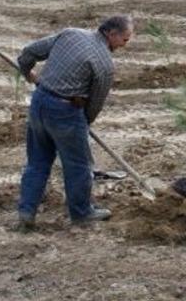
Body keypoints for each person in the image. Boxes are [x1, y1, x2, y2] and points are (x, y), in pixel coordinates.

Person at [15, 15, 134, 228]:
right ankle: (81, 213)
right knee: (79, 165)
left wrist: (27, 72)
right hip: (66, 110)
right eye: (124, 40)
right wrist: (82, 125)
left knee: (37, 162)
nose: (125, 45)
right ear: (112, 34)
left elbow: (30, 52)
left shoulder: (70, 34)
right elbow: (95, 104)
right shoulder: (104, 63)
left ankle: (26, 212)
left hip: (39, 100)